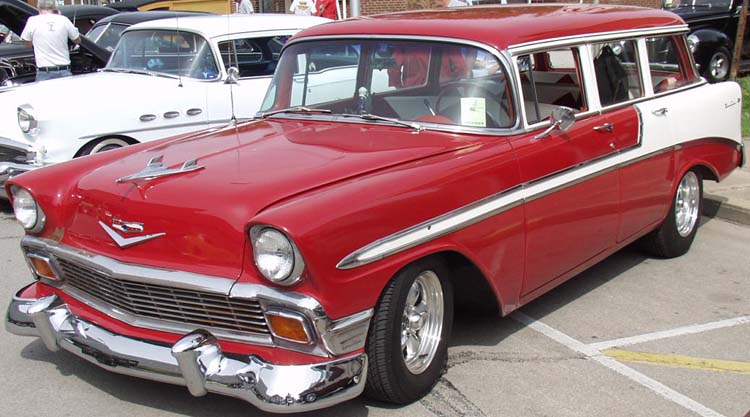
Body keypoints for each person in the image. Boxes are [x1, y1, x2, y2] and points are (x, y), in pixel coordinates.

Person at [20, 0, 80, 82]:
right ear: (54, 7)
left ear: (38, 6)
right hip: (64, 70)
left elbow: (27, 44)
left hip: (44, 72)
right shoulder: (64, 20)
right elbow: (77, 40)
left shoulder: (33, 21)